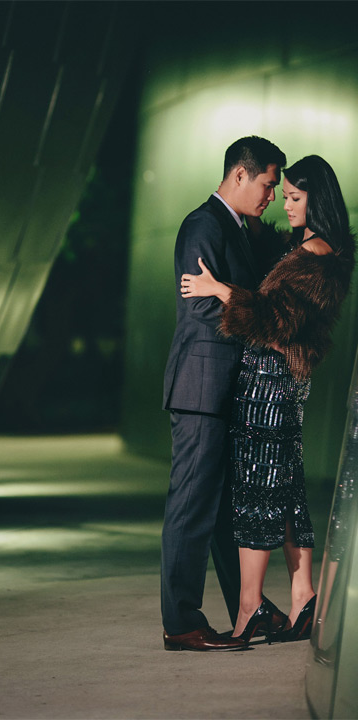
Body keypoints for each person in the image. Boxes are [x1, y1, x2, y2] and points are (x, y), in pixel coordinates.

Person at [180, 154, 355, 642]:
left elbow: (277, 320)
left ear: (317, 201)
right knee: (288, 490)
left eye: (295, 197)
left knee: (257, 491)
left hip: (271, 384)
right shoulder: (299, 246)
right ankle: (303, 598)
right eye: (283, 193)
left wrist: (221, 290)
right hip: (278, 380)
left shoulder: (318, 255)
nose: (285, 202)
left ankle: (249, 608)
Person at [161, 136, 289, 651]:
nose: (271, 196)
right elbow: (201, 310)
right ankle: (181, 623)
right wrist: (263, 322)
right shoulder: (204, 225)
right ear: (240, 174)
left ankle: (249, 606)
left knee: (223, 510)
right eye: (267, 184)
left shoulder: (237, 230)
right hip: (201, 387)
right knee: (191, 506)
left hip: (224, 389)